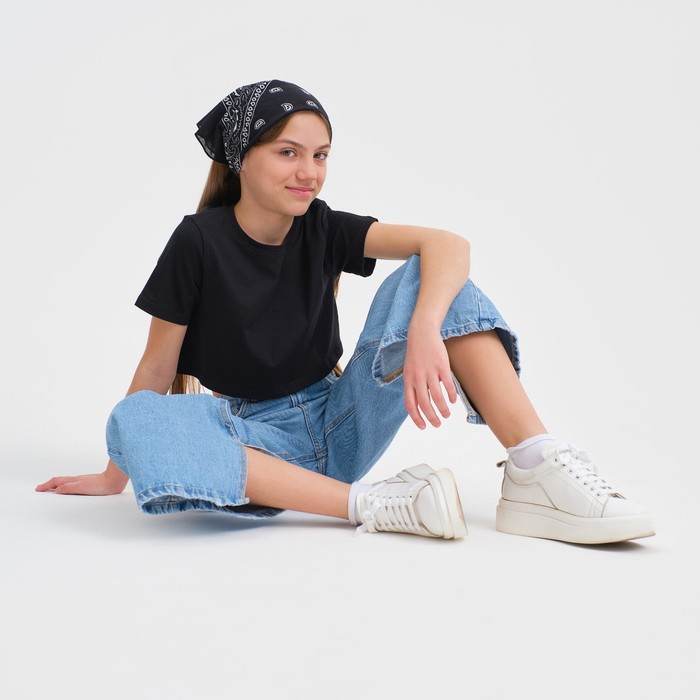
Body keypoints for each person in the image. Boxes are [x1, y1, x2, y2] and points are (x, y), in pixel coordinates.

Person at [36, 79, 654, 544]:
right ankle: (375, 504)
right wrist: (116, 474)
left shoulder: (323, 226)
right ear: (242, 157)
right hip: (256, 446)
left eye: (321, 155)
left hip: (344, 419)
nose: (309, 173)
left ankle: (533, 466)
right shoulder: (198, 242)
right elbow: (157, 365)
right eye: (288, 152)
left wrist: (424, 331)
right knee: (135, 418)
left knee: (431, 277)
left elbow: (447, 243)